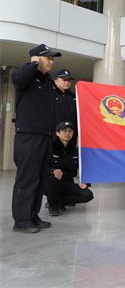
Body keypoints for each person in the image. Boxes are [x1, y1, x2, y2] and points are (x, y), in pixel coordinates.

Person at [11, 44, 61, 233]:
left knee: (40, 179)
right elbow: (18, 78)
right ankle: (21, 220)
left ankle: (32, 215)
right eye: (47, 58)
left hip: (45, 135)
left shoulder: (47, 82)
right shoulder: (25, 76)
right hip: (29, 136)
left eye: (52, 59)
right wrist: (32, 64)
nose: (51, 61)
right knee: (27, 179)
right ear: (36, 59)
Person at [46, 121, 93, 216]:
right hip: (50, 183)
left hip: (67, 183)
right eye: (64, 131)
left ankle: (60, 201)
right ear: (57, 133)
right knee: (55, 178)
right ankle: (53, 206)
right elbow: (42, 167)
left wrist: (85, 182)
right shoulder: (50, 148)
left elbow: (86, 168)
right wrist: (53, 170)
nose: (67, 133)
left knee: (88, 195)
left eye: (70, 131)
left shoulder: (75, 151)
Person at [54, 69, 77, 134]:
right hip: (55, 134)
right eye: (64, 80)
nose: (67, 82)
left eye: (68, 80)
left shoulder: (73, 97)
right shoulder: (51, 95)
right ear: (56, 82)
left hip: (70, 134)